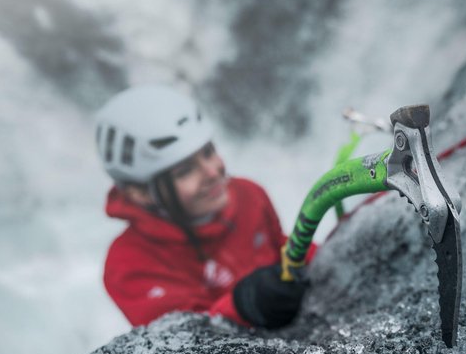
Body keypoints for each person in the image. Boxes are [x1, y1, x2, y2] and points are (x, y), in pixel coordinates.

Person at [96, 85, 315, 329]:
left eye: (208, 152)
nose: (213, 172)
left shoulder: (247, 194)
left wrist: (327, 259)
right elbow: (182, 339)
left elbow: (280, 245)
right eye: (185, 170)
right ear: (140, 193)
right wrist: (244, 306)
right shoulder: (129, 264)